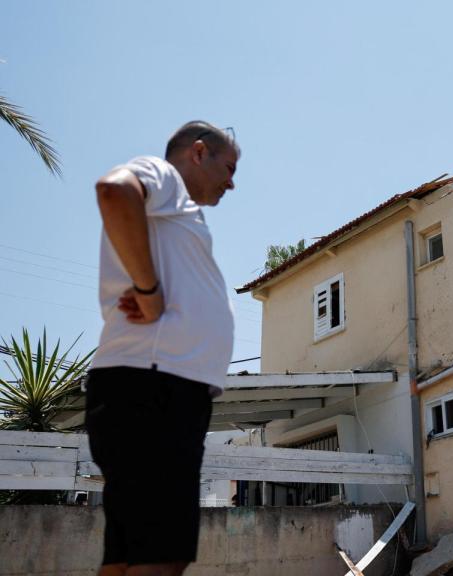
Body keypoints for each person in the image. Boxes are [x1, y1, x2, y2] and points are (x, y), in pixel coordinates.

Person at [86, 121, 239, 576]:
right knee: (160, 556)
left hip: (154, 385)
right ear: (197, 153)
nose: (233, 181)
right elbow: (114, 191)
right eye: (228, 166)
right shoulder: (162, 174)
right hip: (154, 386)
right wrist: (148, 290)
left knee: (129, 555)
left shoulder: (178, 210)